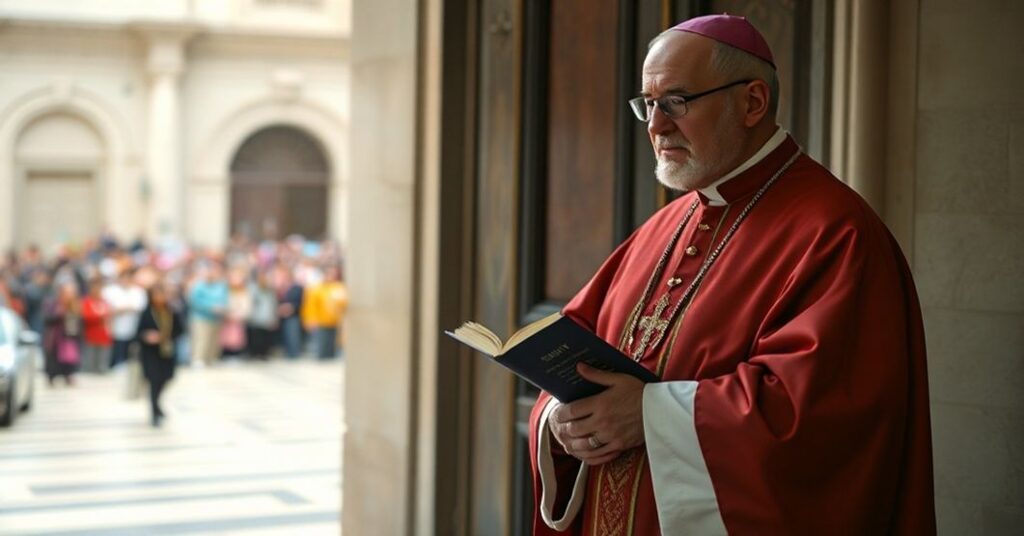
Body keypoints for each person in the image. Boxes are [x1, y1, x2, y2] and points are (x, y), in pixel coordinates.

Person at [528, 14, 934, 535]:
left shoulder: (836, 232)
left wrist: (649, 416)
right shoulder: (667, 224)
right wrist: (558, 419)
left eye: (676, 101)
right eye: (648, 105)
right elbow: (571, 339)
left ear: (753, 103)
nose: (656, 126)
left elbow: (816, 420)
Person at [136, 283, 183, 426]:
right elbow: (138, 333)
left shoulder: (171, 311)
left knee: (166, 378)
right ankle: (154, 411)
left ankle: (157, 404)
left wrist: (166, 337)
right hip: (150, 354)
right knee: (154, 381)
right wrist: (148, 337)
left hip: (167, 352)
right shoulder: (146, 313)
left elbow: (180, 330)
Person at [102, 269, 147, 368]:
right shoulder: (111, 291)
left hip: (132, 325)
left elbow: (139, 307)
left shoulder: (138, 291)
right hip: (115, 325)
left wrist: (125, 309)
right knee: (115, 348)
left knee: (129, 348)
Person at [301, 265, 347, 359]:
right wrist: (310, 319)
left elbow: (345, 302)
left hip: (334, 321)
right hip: (321, 321)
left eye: (333, 274)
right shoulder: (317, 289)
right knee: (322, 344)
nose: (331, 277)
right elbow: (310, 306)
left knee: (332, 345)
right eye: (329, 274)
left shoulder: (338, 287)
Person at [188, 262, 228, 367]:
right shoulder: (198, 286)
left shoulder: (221, 285)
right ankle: (198, 359)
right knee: (201, 338)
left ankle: (211, 358)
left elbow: (224, 298)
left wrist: (221, 307)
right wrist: (210, 307)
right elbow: (194, 301)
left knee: (214, 340)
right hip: (201, 317)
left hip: (216, 317)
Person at [42, 281, 82, 386]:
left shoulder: (74, 304)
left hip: (68, 337)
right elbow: (47, 319)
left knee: (68, 357)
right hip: (54, 337)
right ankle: (52, 376)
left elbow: (77, 321)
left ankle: (68, 375)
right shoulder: (53, 304)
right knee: (53, 358)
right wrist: (59, 313)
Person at [80, 277, 113, 373]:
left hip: (103, 332)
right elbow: (86, 316)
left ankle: (101, 368)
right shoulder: (87, 301)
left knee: (103, 353)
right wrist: (99, 317)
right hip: (91, 332)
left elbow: (109, 315)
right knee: (90, 353)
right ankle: (89, 369)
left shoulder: (104, 302)